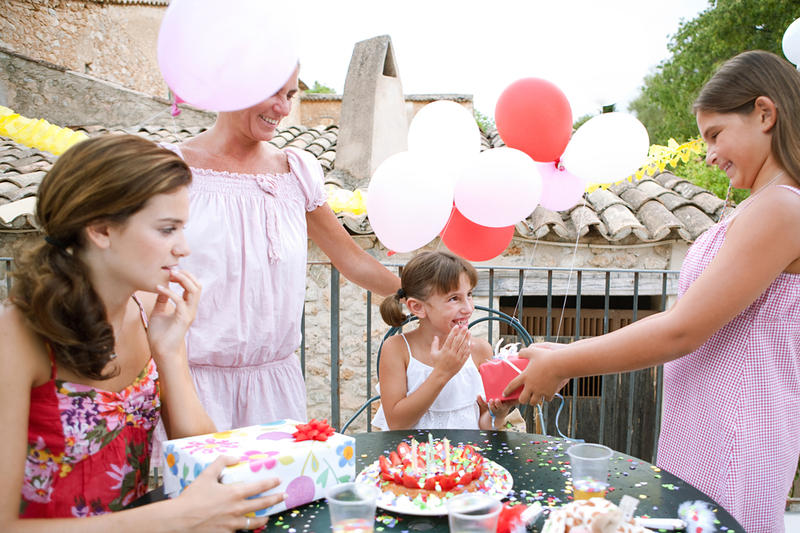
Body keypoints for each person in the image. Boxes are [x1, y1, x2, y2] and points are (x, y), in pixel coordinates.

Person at [506, 50, 800, 533]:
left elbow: (681, 330)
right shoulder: (762, 206)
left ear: (765, 114)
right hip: (709, 423)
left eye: (715, 134)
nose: (709, 154)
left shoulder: (780, 209)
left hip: (737, 431)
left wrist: (566, 362)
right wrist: (561, 351)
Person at [0, 135, 284, 531]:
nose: (183, 248)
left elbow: (200, 450)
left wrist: (169, 353)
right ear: (100, 229)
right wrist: (177, 516)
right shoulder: (16, 335)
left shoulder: (149, 308)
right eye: (167, 229)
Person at [162, 65, 400, 431]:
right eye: (274, 92)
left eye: (290, 95)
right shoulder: (169, 168)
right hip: (190, 386)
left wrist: (419, 295)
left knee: (280, 489)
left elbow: (350, 259)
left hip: (274, 389)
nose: (284, 108)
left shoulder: (297, 172)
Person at [372, 251, 515, 431]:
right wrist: (443, 372)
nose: (468, 308)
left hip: (466, 456)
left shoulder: (480, 350)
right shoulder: (397, 349)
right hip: (413, 456)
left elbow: (483, 425)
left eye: (469, 294)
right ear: (418, 307)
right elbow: (397, 423)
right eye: (454, 298)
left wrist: (499, 413)